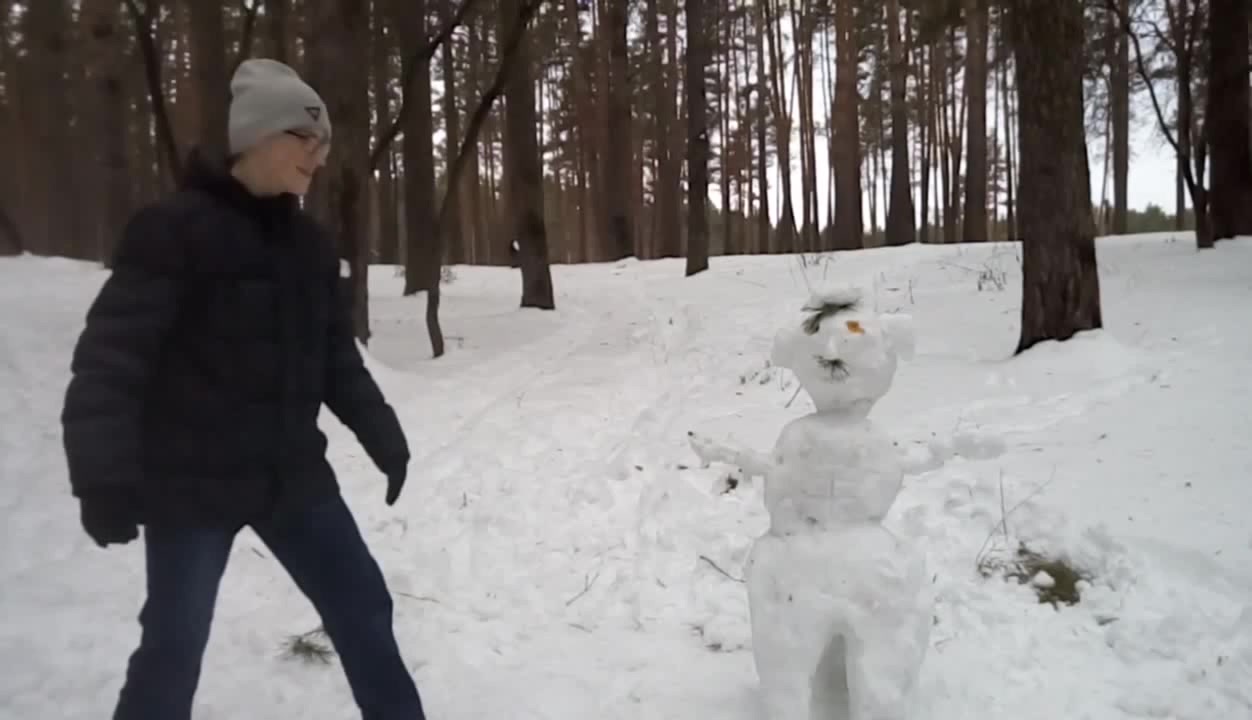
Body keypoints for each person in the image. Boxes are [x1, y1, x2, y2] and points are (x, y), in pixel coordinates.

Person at [60, 58, 426, 720]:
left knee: (363, 606)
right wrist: (100, 476)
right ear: (256, 136)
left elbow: (335, 360)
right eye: (304, 137)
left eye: (324, 142)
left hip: (291, 476)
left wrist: (383, 435)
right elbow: (111, 362)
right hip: (191, 484)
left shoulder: (310, 246)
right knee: (173, 648)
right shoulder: (172, 231)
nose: (319, 155)